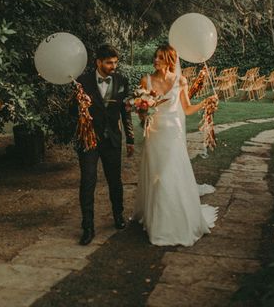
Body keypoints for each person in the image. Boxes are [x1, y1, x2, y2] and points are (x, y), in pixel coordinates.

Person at [133, 44, 218, 246]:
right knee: (155, 175)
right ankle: (156, 220)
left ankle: (171, 223)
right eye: (155, 57)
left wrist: (205, 102)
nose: (155, 60)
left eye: (160, 57)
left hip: (173, 134)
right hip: (154, 134)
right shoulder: (145, 80)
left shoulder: (181, 80)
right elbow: (141, 112)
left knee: (166, 175)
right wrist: (143, 110)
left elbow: (187, 109)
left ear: (170, 60)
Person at [73, 44, 135, 245]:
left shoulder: (122, 81)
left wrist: (131, 139)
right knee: (88, 181)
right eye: (109, 62)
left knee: (115, 181)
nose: (113, 66)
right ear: (98, 62)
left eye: (116, 62)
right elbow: (72, 112)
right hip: (89, 140)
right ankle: (88, 227)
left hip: (112, 140)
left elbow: (126, 112)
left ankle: (118, 216)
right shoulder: (81, 82)